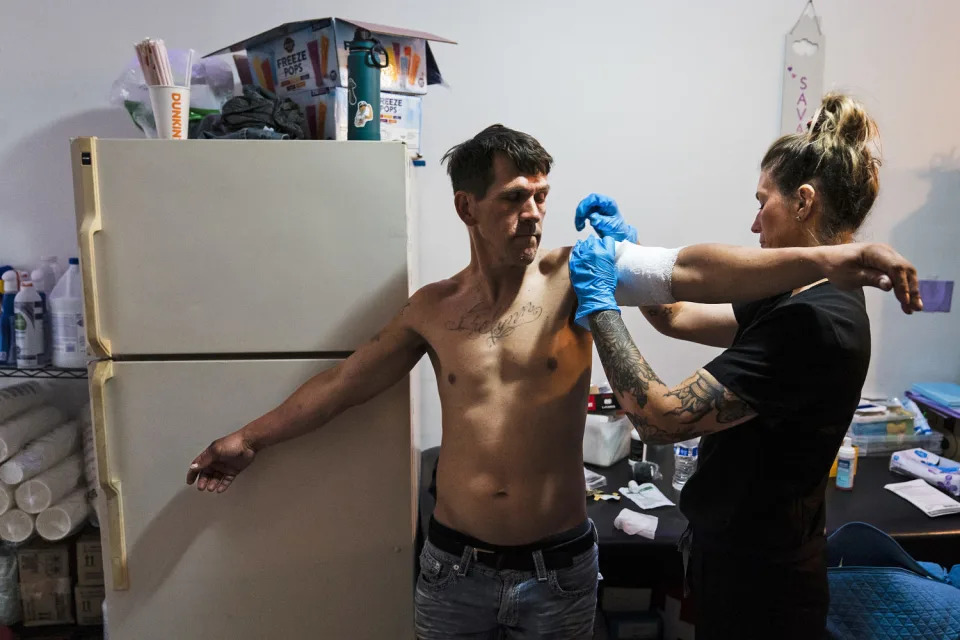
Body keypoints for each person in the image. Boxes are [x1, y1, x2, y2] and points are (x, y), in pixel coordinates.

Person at [187, 124, 919, 639]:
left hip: (559, 568)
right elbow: (344, 384)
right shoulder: (432, 310)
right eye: (513, 197)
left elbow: (694, 271)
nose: (533, 212)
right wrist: (250, 437)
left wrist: (835, 259)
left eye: (541, 193)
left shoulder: (578, 273)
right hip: (454, 569)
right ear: (466, 206)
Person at [569, 94, 921, 639]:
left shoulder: (812, 321)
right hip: (743, 559)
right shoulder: (798, 290)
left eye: (763, 202)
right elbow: (679, 316)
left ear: (804, 202)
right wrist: (629, 254)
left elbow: (660, 418)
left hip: (763, 586)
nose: (754, 223)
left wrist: (601, 310)